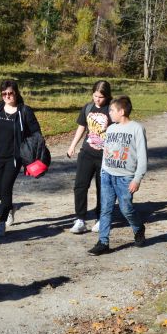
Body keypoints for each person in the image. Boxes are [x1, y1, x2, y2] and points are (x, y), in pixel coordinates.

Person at [88, 96, 148, 256]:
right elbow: (106, 151)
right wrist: (103, 170)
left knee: (126, 209)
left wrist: (137, 179)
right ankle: (103, 242)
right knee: (105, 209)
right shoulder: (111, 129)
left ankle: (138, 228)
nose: (109, 113)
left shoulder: (137, 128)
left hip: (125, 178)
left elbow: (142, 156)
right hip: (107, 175)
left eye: (112, 110)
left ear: (121, 111)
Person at [0, 80, 41, 236]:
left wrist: (33, 150)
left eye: (10, 93)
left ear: (16, 93)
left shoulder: (24, 111)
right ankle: (10, 207)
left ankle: (1, 222)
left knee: (6, 188)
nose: (7, 96)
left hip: (14, 158)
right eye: (4, 93)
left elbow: (36, 133)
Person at [66, 80, 112, 234]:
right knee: (80, 186)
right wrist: (72, 145)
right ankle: (80, 219)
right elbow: (82, 127)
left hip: (105, 156)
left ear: (107, 96)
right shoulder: (88, 108)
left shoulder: (112, 109)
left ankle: (101, 218)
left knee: (102, 188)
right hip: (86, 153)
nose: (97, 99)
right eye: (95, 95)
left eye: (101, 97)